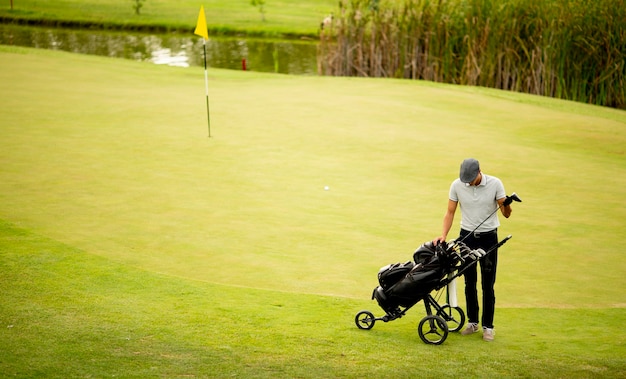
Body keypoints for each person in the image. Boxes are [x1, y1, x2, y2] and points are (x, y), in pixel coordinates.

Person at [433, 158, 514, 342]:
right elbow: (450, 212)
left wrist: (506, 203)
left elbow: (507, 214)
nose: (468, 183)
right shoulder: (457, 185)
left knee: (487, 284)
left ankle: (488, 327)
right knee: (469, 282)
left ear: (480, 172)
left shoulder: (495, 183)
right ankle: (472, 322)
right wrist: (443, 235)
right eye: (466, 179)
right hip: (466, 237)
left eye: (471, 179)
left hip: (489, 238)